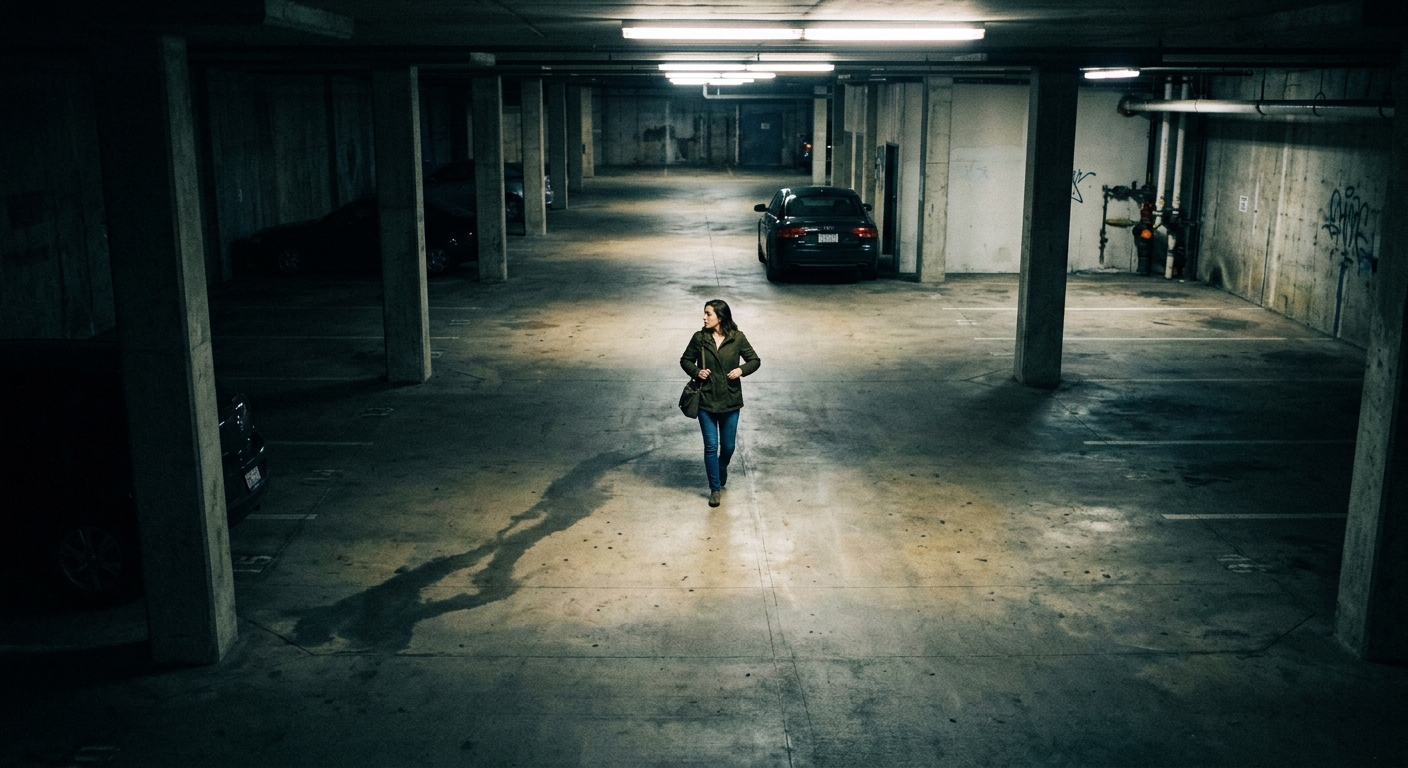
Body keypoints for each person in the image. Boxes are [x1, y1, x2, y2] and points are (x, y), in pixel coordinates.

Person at [680, 300, 761, 507]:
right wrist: (697, 371)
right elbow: (685, 360)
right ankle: (714, 489)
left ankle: (722, 465)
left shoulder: (737, 338)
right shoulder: (700, 338)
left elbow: (754, 360)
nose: (704, 317)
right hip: (705, 400)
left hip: (730, 400)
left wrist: (741, 370)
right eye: (704, 314)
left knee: (728, 446)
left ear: (720, 317)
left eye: (708, 314)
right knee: (710, 446)